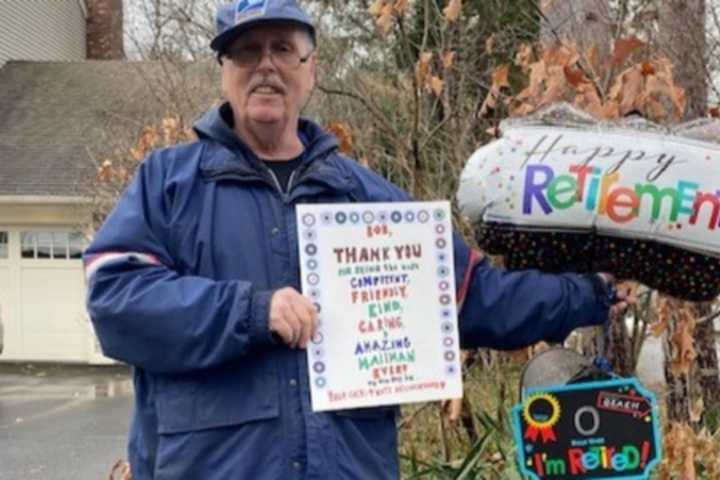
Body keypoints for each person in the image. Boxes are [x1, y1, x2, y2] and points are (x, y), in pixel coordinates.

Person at [84, 1, 626, 478]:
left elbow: (474, 298)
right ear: (224, 72)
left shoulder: (374, 201)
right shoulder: (168, 184)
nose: (265, 65)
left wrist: (591, 293)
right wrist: (249, 312)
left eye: (282, 49)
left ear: (311, 69)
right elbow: (117, 302)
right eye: (246, 51)